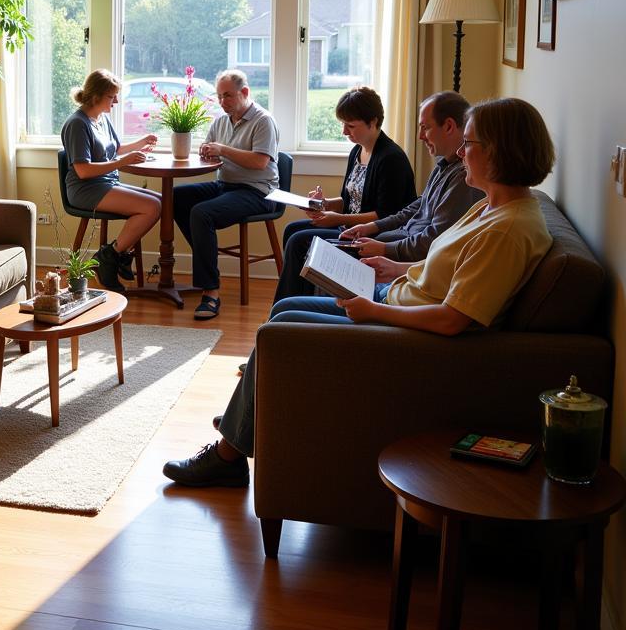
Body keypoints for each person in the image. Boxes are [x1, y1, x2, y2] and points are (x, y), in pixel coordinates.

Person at [163, 96, 555, 488]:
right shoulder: (490, 208)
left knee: (277, 330)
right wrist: (397, 269)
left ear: (498, 151)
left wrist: (374, 310)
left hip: (406, 331)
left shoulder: (507, 230)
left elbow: (453, 319)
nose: (463, 154)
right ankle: (245, 422)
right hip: (397, 299)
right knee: (286, 308)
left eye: (469, 144)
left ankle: (229, 453)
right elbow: (449, 267)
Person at [273, 85, 416, 303]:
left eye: (350, 125)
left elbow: (385, 216)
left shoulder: (391, 159)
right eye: (343, 124)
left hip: (370, 236)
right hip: (348, 228)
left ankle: (289, 308)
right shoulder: (357, 151)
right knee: (291, 230)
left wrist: (337, 219)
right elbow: (350, 201)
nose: (344, 132)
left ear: (373, 122)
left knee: (298, 241)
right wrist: (323, 204)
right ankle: (298, 301)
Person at [172, 69, 280, 320]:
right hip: (226, 185)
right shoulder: (221, 121)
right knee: (175, 198)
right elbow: (212, 151)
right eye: (219, 96)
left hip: (258, 191)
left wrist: (222, 149)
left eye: (228, 96)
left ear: (245, 93)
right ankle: (206, 255)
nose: (222, 102)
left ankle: (211, 293)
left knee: (202, 213)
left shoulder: (263, 120)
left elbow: (260, 162)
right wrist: (207, 151)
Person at [336, 90, 482, 261]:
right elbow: (415, 207)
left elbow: (434, 240)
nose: (420, 136)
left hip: (408, 251)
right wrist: (371, 226)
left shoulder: (464, 177)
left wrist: (384, 248)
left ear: (449, 126)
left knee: (315, 248)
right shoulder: (443, 165)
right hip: (400, 237)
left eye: (425, 128)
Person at [61, 69, 161, 293]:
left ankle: (118, 253)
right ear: (96, 96)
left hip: (106, 183)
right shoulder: (78, 124)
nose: (116, 101)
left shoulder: (102, 118)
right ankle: (110, 256)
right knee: (151, 207)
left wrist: (140, 143)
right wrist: (122, 161)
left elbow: (114, 149)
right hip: (86, 189)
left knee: (160, 201)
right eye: (111, 96)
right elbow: (84, 170)